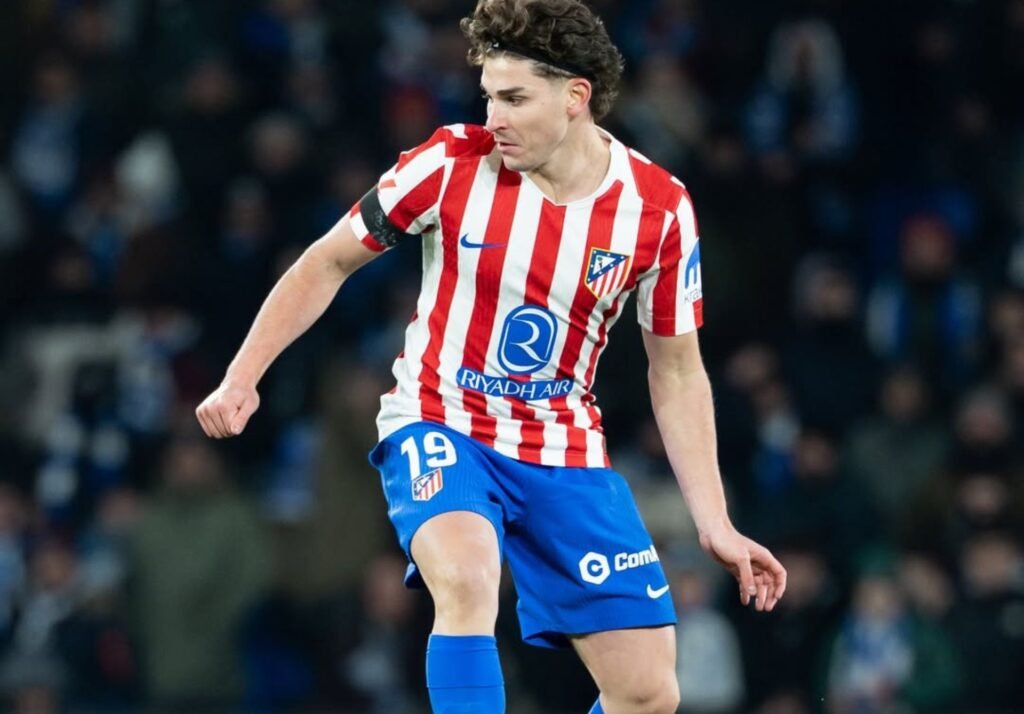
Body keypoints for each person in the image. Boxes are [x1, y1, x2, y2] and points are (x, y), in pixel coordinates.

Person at [196, 1, 787, 712]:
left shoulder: (658, 210)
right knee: (468, 578)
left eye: (513, 98)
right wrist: (242, 377)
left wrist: (714, 521)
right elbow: (326, 263)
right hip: (439, 419)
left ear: (576, 97)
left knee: (647, 693)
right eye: (488, 97)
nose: (494, 116)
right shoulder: (449, 164)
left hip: (561, 446)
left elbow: (678, 369)